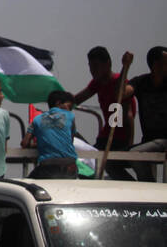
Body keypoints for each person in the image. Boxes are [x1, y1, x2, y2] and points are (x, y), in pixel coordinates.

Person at [73, 47, 138, 180]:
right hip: (106, 134)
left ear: (107, 64)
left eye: (96, 66)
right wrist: (58, 99)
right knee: (86, 159)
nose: (92, 70)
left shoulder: (119, 82)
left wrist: (129, 146)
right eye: (90, 66)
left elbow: (129, 115)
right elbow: (77, 99)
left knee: (107, 164)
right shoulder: (97, 83)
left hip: (120, 136)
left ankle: (131, 185)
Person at [129, 45, 167, 182]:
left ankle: (150, 189)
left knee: (135, 154)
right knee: (112, 161)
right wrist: (125, 67)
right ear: (156, 65)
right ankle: (137, 190)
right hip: (148, 141)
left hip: (164, 141)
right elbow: (120, 95)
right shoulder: (141, 82)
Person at [22, 90, 79, 179]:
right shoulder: (70, 116)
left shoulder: (37, 119)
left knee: (27, 184)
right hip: (70, 165)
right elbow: (70, 141)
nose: (69, 110)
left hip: (48, 166)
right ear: (58, 103)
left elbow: (24, 143)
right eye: (69, 107)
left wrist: (37, 145)